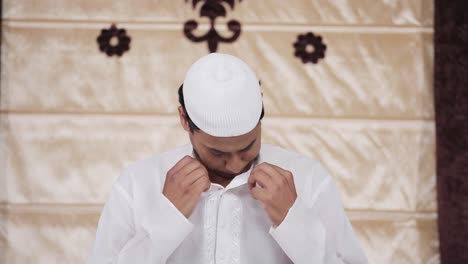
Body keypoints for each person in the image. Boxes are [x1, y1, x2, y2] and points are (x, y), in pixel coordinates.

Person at [87, 53, 367, 264]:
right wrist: (166, 218)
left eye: (247, 147)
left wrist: (294, 221)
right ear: (184, 120)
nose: (234, 165)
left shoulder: (308, 179)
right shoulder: (138, 183)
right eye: (217, 152)